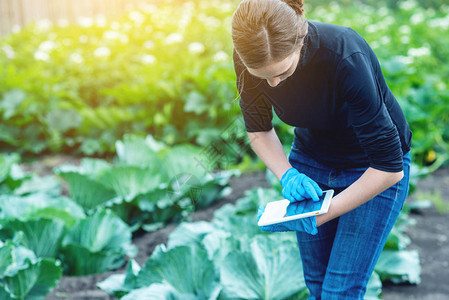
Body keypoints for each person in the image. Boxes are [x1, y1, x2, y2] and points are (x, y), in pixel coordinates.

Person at [231, 0, 412, 299]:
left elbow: (389, 168)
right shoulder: (250, 54)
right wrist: (287, 175)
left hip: (370, 168)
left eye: (282, 70)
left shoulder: (344, 55)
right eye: (263, 75)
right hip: (311, 160)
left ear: (300, 40)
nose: (273, 84)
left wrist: (320, 215)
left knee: (340, 291)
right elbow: (259, 129)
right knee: (316, 285)